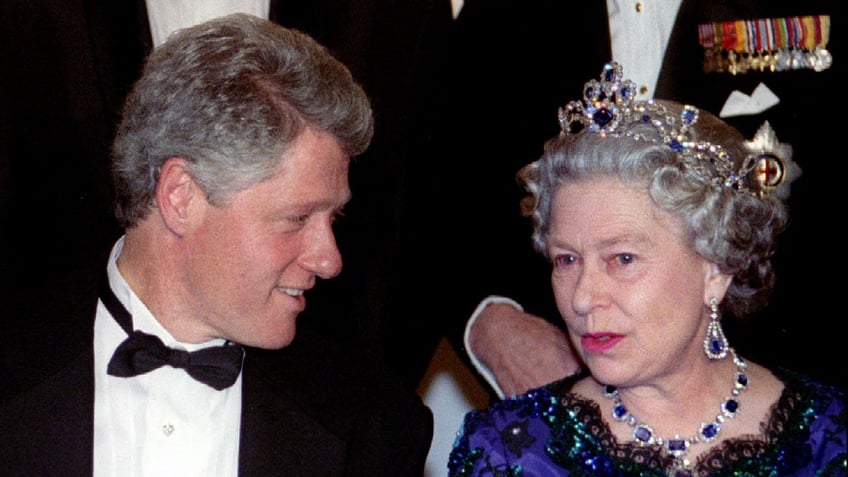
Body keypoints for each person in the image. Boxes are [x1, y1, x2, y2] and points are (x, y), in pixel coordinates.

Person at [0, 13, 432, 475]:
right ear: (181, 196)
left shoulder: (376, 427)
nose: (329, 260)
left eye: (334, 217)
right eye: (297, 217)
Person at [447, 62, 846, 476]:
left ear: (717, 267)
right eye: (566, 260)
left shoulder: (827, 441)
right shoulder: (509, 451)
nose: (582, 297)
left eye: (622, 259)